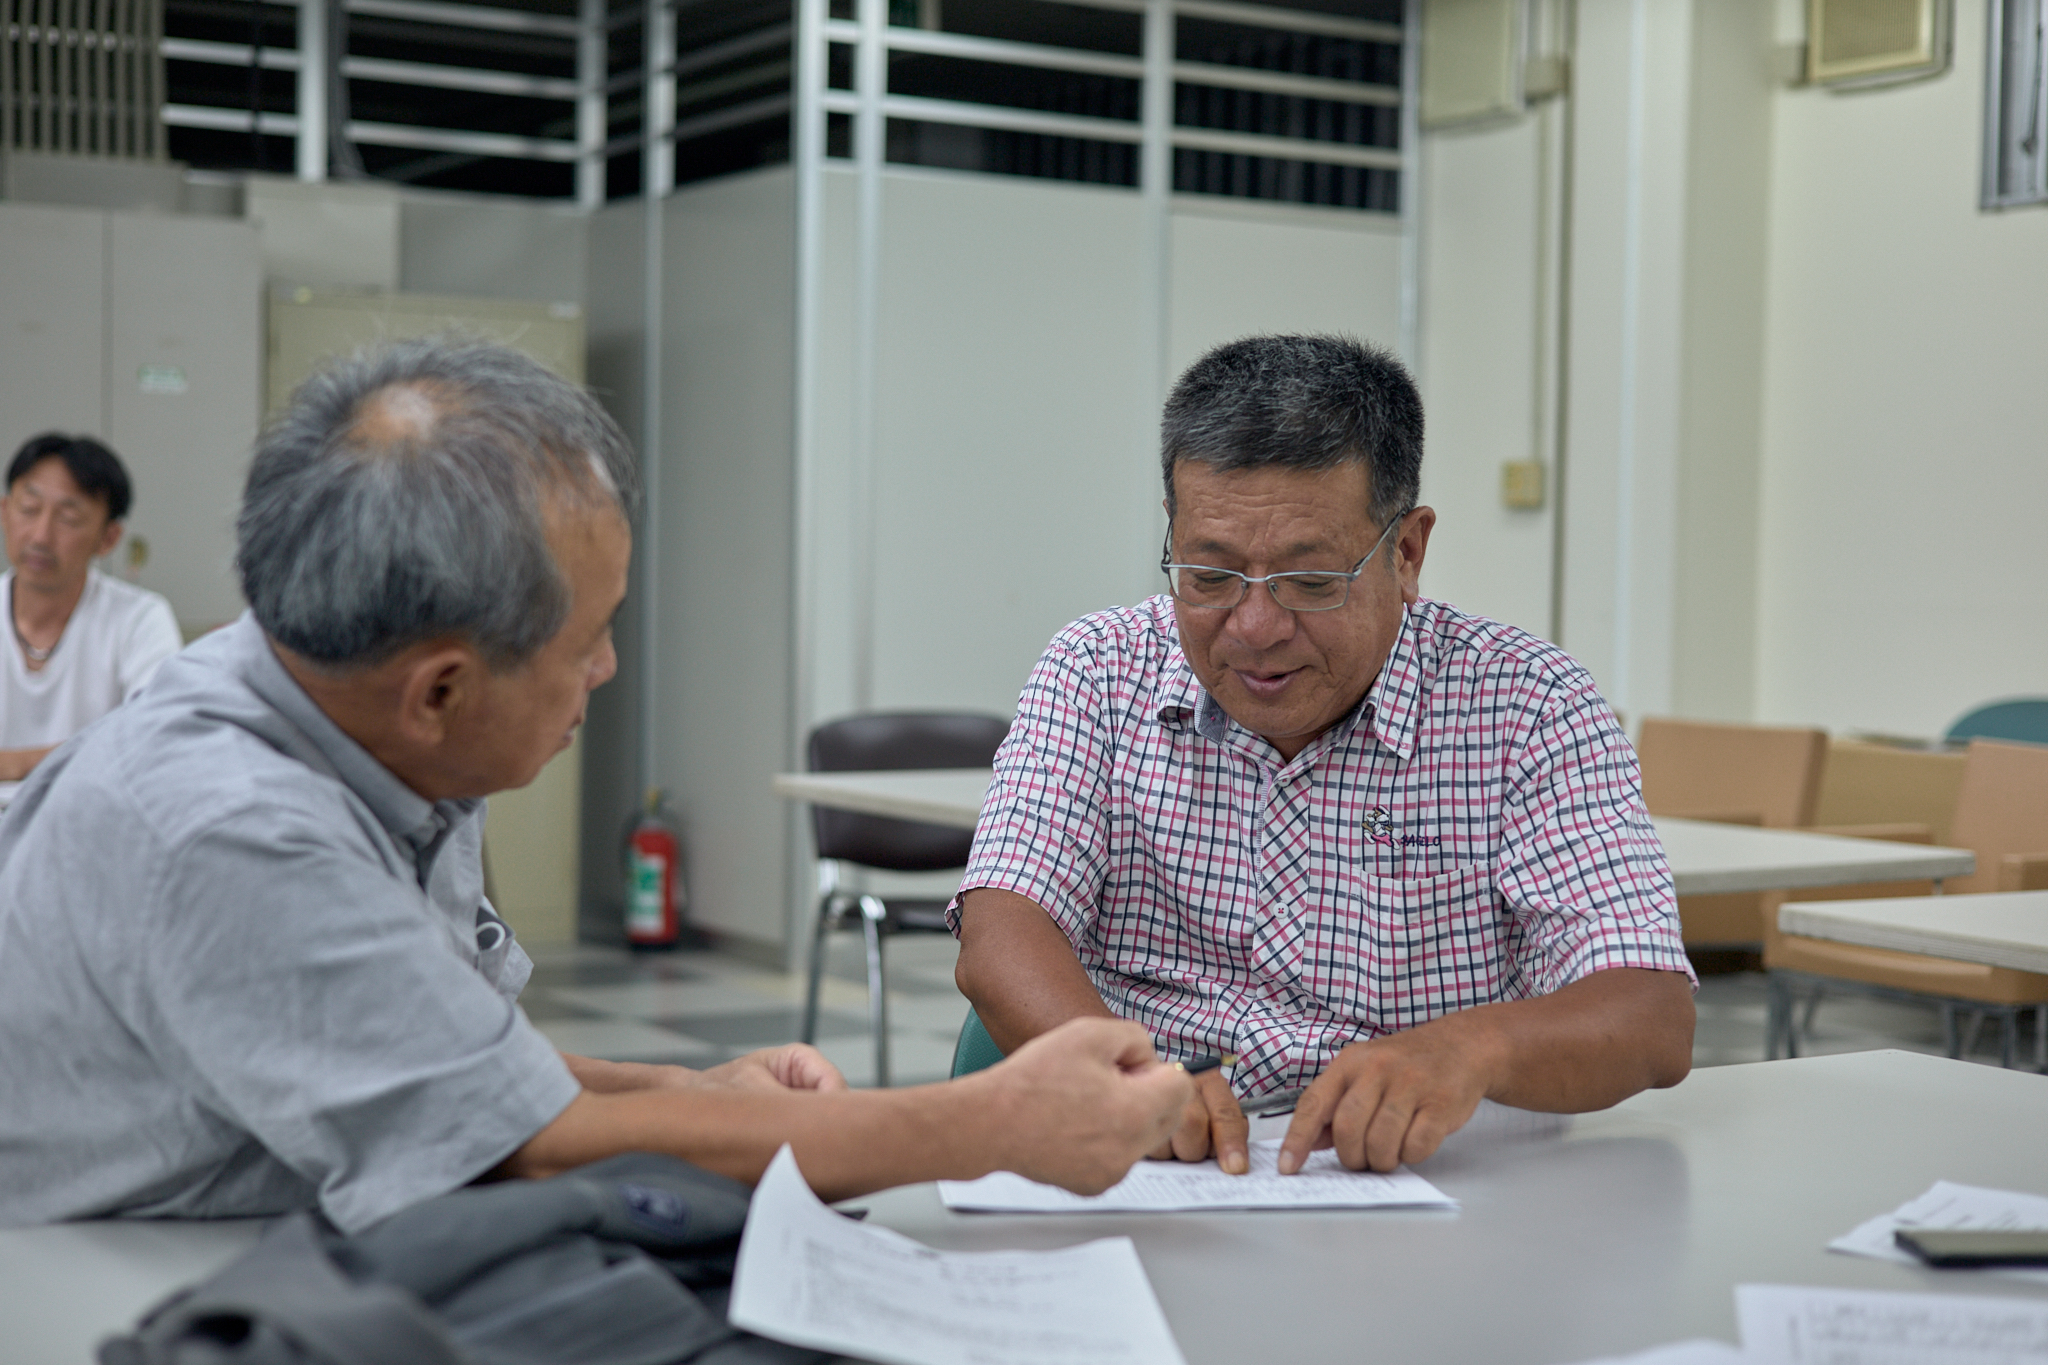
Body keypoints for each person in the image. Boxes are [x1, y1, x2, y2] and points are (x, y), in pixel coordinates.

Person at [0, 338, 1190, 1234]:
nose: (606, 672)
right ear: (443, 685)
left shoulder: (366, 717)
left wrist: (681, 1085)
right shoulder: (227, 826)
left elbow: (427, 1058)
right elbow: (530, 1150)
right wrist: (989, 1125)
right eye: (589, 641)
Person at [951, 334, 1696, 1182]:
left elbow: (1649, 1013)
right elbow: (1002, 929)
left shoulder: (1527, 705)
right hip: (1148, 1158)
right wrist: (1131, 1081)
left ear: (1407, 554)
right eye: (1210, 573)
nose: (1256, 625)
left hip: (1419, 1180)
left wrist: (1471, 1048)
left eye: (1310, 581)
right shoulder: (1098, 669)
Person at [0, 434, 182, 781]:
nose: (40, 535)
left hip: (91, 824)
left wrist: (13, 764)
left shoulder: (140, 619)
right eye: (28, 509)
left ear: (108, 538)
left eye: (68, 518)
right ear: (5, 513)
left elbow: (157, 738)